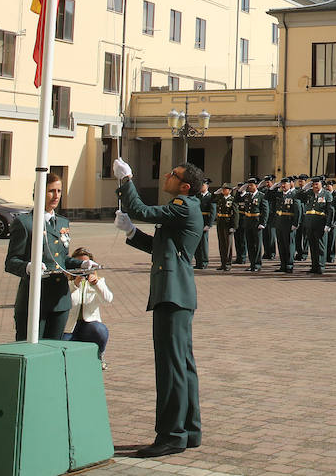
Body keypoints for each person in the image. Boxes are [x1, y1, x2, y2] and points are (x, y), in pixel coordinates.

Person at [113, 158, 204, 458]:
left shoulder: (183, 205)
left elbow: (141, 210)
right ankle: (189, 430)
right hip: (175, 293)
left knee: (171, 367)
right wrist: (131, 233)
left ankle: (171, 434)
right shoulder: (183, 208)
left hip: (173, 294)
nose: (167, 175)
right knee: (182, 365)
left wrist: (127, 181)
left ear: (185, 186)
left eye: (173, 174)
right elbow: (162, 248)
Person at [4, 172, 82, 340]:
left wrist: (82, 265)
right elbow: (11, 261)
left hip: (59, 300)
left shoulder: (62, 222)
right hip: (34, 299)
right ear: (39, 192)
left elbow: (62, 259)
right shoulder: (25, 223)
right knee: (31, 346)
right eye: (51, 191)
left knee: (54, 349)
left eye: (59, 191)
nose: (56, 196)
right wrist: (28, 267)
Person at [64, 246, 113, 371]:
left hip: (88, 325)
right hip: (69, 327)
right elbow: (67, 301)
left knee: (100, 330)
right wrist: (75, 284)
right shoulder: (66, 282)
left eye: (85, 267)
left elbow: (108, 299)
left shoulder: (99, 281)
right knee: (63, 347)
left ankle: (99, 356)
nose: (83, 270)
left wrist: (96, 284)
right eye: (79, 266)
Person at [273, 178, 302, 272]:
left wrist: (295, 223)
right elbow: (268, 196)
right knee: (281, 245)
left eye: (285, 184)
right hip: (279, 223)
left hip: (289, 223)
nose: (283, 186)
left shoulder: (294, 195)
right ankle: (283, 265)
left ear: (290, 184)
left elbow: (298, 211)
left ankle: (289, 265)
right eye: (282, 184)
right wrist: (273, 187)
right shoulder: (279, 195)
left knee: (289, 245)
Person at [212, 183, 236, 271]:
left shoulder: (232, 200)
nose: (223, 191)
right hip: (220, 222)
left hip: (228, 223)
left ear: (229, 190)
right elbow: (211, 200)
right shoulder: (220, 199)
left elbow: (235, 214)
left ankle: (228, 264)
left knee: (228, 244)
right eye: (222, 189)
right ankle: (223, 263)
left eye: (225, 189)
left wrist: (234, 226)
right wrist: (215, 193)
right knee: (221, 243)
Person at [194, 180, 213, 269]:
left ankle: (204, 262)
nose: (201, 187)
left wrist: (209, 224)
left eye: (203, 185)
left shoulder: (211, 197)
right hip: (197, 221)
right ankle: (198, 262)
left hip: (204, 221)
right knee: (196, 243)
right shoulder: (197, 196)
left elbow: (213, 212)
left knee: (203, 243)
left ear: (207, 186)